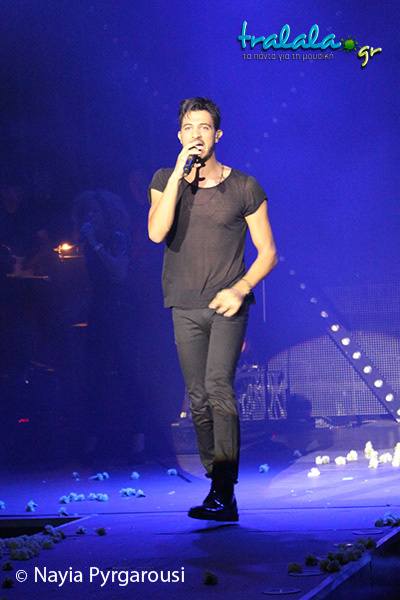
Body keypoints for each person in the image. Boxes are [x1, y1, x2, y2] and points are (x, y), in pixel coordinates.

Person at [148, 97, 277, 521]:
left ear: (217, 135)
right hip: (183, 304)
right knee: (198, 398)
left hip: (226, 303)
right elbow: (156, 233)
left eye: (204, 127)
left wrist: (240, 288)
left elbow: (268, 252)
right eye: (189, 127)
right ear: (179, 135)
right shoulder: (164, 179)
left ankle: (223, 487)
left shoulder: (244, 186)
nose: (196, 134)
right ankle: (217, 484)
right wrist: (177, 176)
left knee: (218, 386)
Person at [72, 190, 143, 463]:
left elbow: (119, 273)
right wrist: (76, 309)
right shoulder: (88, 245)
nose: (91, 216)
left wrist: (94, 244)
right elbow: (97, 285)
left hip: (121, 313)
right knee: (94, 376)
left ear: (106, 214)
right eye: (87, 212)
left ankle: (138, 439)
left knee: (128, 373)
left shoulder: (117, 238)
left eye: (96, 212)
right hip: (99, 313)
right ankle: (94, 441)